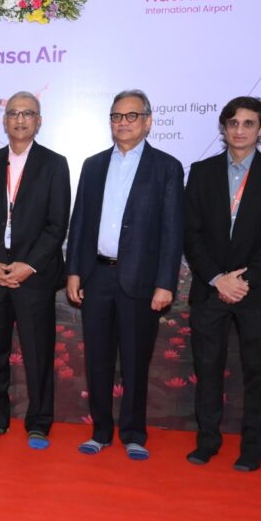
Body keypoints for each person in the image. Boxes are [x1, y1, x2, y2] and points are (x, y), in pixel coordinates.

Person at [66, 89, 184, 461]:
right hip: (97, 276)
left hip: (141, 281)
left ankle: (134, 433)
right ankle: (100, 431)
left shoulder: (166, 167)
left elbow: (172, 231)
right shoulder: (94, 164)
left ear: (148, 122)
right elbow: (80, 221)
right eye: (117, 116)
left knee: (135, 359)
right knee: (97, 358)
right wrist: (73, 271)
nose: (123, 123)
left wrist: (166, 282)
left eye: (131, 116)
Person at [183, 96, 261, 471]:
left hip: (255, 291)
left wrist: (242, 279)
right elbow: (191, 233)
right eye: (233, 123)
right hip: (210, 288)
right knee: (208, 368)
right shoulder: (201, 172)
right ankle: (208, 441)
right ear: (224, 128)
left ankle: (253, 448)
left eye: (249, 123)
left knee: (258, 373)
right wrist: (217, 278)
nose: (240, 130)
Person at [0, 91, 70, 449]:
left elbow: (57, 225)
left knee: (37, 352)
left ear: (39, 121)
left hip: (34, 277)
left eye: (28, 113)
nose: (20, 119)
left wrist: (28, 266)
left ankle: (39, 423)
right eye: (14, 113)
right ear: (4, 120)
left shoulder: (55, 164)